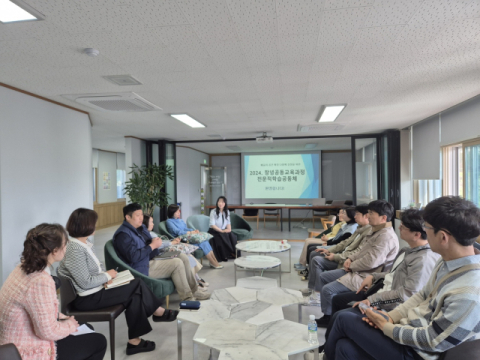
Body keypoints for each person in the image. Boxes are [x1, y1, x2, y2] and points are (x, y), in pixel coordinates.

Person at [319, 196, 480, 360]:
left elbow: (432, 340)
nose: (424, 232)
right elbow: (422, 294)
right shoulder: (447, 260)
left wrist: (387, 327)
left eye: (427, 227)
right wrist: (391, 317)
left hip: (418, 352)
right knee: (344, 347)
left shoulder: (468, 293)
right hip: (407, 330)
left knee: (344, 319)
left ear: (443, 237)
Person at [306, 209, 441, 358]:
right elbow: (393, 274)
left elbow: (407, 294)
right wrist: (374, 276)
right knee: (342, 338)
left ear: (417, 234)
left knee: (341, 316)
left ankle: (326, 354)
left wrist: (374, 302)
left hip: (392, 309)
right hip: (381, 292)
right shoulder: (409, 250)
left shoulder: (423, 259)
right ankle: (328, 351)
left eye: (403, 226)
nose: (399, 228)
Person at [58, 209, 177, 356]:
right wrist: (107, 276)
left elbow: (97, 269)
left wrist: (107, 277)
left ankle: (135, 342)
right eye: (93, 223)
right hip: (86, 298)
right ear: (85, 225)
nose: (95, 226)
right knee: (137, 284)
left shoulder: (84, 243)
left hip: (97, 289)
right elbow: (85, 283)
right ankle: (158, 312)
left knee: (134, 294)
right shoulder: (75, 248)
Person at [0, 223, 107, 360]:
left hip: (11, 342)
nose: (66, 248)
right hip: (27, 351)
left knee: (86, 327)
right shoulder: (41, 280)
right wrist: (69, 324)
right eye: (65, 245)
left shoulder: (23, 267)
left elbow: (35, 306)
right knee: (99, 342)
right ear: (55, 251)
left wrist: (59, 316)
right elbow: (47, 331)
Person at [313, 200, 399, 326]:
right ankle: (328, 314)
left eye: (371, 213)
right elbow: (361, 250)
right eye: (368, 212)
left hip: (366, 276)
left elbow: (371, 261)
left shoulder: (385, 237)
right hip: (358, 270)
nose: (368, 216)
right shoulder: (375, 230)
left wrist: (351, 266)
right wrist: (350, 259)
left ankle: (329, 318)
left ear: (383, 218)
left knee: (327, 289)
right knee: (324, 277)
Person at [113, 203, 210, 301]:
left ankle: (195, 290)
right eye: (137, 215)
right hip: (140, 267)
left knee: (183, 256)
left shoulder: (139, 228)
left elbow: (149, 242)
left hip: (150, 258)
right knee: (177, 263)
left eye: (142, 214)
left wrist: (156, 243)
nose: (141, 218)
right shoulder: (123, 234)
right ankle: (188, 298)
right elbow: (133, 257)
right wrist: (152, 246)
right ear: (128, 217)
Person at [304, 204, 371, 300]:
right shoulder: (360, 228)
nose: (355, 216)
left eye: (357, 214)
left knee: (317, 259)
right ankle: (312, 289)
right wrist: (328, 250)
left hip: (346, 262)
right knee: (315, 254)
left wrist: (335, 256)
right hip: (343, 256)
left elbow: (357, 252)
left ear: (366, 216)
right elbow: (344, 243)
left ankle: (317, 294)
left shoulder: (368, 232)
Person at [144, 214, 210, 288]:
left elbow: (162, 241)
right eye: (151, 222)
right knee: (185, 256)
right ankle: (195, 282)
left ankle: (196, 279)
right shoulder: (147, 235)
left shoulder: (152, 233)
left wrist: (172, 241)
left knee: (188, 255)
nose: (153, 224)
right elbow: (159, 244)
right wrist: (171, 242)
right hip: (160, 253)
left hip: (165, 249)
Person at [165, 204, 223, 269]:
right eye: (177, 211)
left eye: (179, 211)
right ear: (172, 212)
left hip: (188, 237)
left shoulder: (180, 220)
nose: (179, 213)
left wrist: (193, 230)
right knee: (202, 243)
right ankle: (213, 263)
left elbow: (185, 228)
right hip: (181, 240)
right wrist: (190, 232)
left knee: (205, 241)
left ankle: (214, 262)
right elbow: (177, 232)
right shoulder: (169, 221)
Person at [208, 196, 238, 261]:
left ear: (225, 204)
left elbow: (228, 223)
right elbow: (212, 225)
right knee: (221, 237)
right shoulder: (213, 211)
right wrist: (221, 231)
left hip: (223, 230)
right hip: (214, 231)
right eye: (219, 201)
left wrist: (229, 229)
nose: (220, 203)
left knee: (232, 236)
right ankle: (224, 255)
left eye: (222, 202)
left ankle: (233, 253)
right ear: (217, 203)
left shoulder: (227, 211)